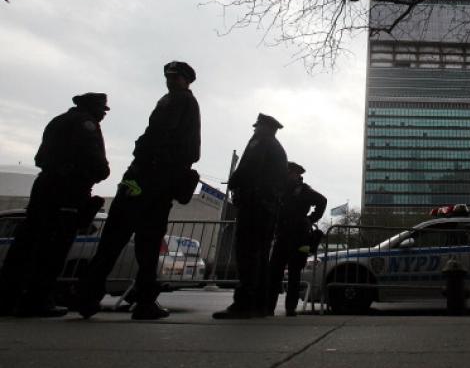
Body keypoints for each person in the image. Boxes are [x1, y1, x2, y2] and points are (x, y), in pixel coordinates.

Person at [78, 61, 201, 320]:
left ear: (185, 79)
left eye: (174, 77)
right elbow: (177, 143)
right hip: (155, 178)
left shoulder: (173, 101)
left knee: (118, 238)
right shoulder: (179, 101)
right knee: (145, 241)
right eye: (169, 76)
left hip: (144, 176)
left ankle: (89, 295)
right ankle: (143, 300)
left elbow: (159, 136)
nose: (170, 80)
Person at [0, 93, 110, 317]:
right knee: (53, 248)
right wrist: (99, 173)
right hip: (67, 191)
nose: (103, 115)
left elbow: (40, 158)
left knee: (26, 243)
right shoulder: (86, 125)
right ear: (93, 108)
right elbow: (96, 161)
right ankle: (37, 299)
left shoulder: (58, 121)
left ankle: (8, 297)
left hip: (45, 186)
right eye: (102, 109)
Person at [213, 113, 287, 319]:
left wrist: (234, 183)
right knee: (261, 256)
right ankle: (259, 304)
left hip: (255, 205)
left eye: (257, 127)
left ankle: (244, 303)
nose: (254, 130)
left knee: (247, 253)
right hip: (268, 208)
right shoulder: (278, 148)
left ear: (263, 127)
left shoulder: (260, 142)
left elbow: (247, 167)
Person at [267, 162, 327, 316]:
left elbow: (322, 201)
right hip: (282, 235)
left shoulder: (304, 190)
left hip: (300, 237)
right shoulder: (280, 189)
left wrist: (310, 219)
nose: (288, 175)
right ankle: (268, 306)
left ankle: (290, 308)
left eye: (291, 173)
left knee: (295, 273)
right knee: (275, 272)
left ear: (296, 174)